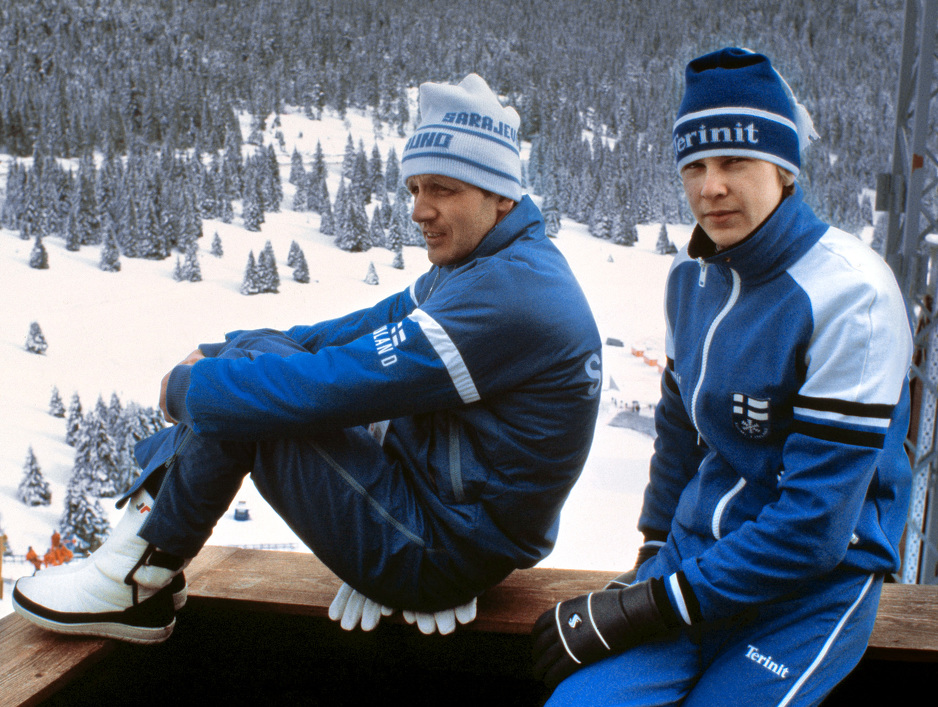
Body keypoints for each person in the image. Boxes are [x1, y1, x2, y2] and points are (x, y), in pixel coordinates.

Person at [13, 74, 603, 644]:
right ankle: (138, 564)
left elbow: (338, 383)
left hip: (439, 547)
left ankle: (136, 579)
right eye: (414, 188)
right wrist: (229, 349)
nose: (419, 210)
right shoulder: (489, 267)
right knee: (249, 372)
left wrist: (190, 390)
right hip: (441, 515)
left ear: (501, 194)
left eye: (442, 189)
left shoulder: (509, 296)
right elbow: (358, 329)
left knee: (252, 401)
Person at [532, 48, 913, 707]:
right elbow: (680, 430)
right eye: (695, 166)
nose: (710, 187)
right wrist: (654, 553)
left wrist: (655, 603)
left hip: (809, 587)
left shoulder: (851, 295)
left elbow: (814, 524)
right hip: (692, 560)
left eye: (735, 162)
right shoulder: (693, 282)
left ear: (784, 169)